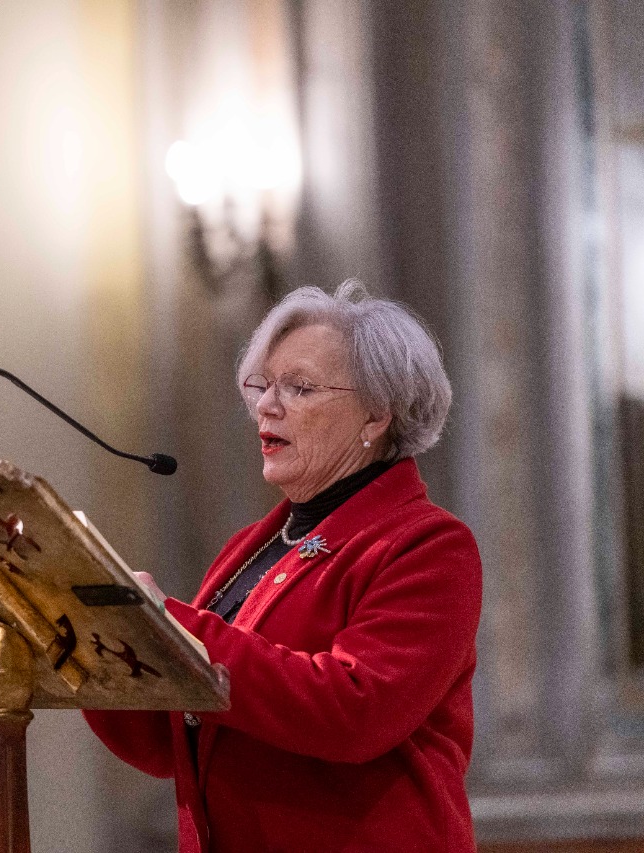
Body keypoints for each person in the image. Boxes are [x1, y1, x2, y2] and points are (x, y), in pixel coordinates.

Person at [86, 281, 482, 852]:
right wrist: (100, 638)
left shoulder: (428, 545)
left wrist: (174, 628)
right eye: (263, 385)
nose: (267, 407)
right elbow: (171, 742)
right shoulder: (249, 547)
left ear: (376, 415)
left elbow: (355, 711)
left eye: (299, 388)